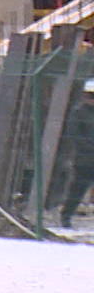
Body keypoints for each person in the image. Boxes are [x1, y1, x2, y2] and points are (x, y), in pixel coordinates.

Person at [60, 81, 94, 226]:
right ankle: (66, 215)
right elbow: (74, 135)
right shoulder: (78, 112)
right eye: (90, 96)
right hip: (84, 160)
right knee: (78, 189)